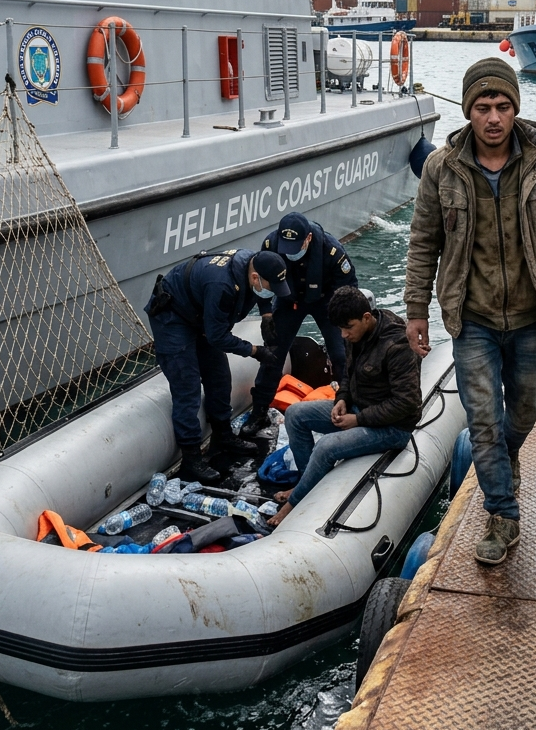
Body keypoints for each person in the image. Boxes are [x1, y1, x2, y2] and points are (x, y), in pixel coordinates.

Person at [404, 56, 536, 565]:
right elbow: (423, 241)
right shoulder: (442, 168)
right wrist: (415, 309)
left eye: (502, 106)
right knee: (483, 419)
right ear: (467, 111)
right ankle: (502, 513)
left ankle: (504, 461)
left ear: (515, 109)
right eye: (482, 107)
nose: (493, 117)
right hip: (473, 319)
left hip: (532, 314)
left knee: (525, 408)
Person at [268, 287, 420, 527]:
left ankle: (294, 504)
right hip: (358, 408)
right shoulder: (355, 335)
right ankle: (309, 485)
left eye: (348, 328)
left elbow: (407, 403)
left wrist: (358, 420)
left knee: (326, 447)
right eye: (340, 329)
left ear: (366, 318)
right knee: (295, 414)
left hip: (392, 427)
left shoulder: (397, 345)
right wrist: (342, 399)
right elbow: (348, 375)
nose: (344, 335)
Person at [145, 249, 291, 484]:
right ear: (255, 278)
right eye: (270, 285)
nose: (271, 290)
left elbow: (263, 292)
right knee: (188, 386)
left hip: (199, 312)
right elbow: (217, 337)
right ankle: (191, 458)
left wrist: (266, 316)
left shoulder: (256, 266)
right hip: (173, 316)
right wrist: (255, 351)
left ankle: (223, 436)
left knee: (219, 375)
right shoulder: (222, 285)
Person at [244, 212, 358, 436]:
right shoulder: (270, 245)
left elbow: (349, 286)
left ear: (307, 239)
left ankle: (349, 405)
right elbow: (262, 279)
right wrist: (266, 314)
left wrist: (343, 319)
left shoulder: (331, 251)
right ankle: (259, 412)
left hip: (326, 301)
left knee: (340, 354)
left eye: (296, 246)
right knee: (273, 354)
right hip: (289, 301)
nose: (291, 252)